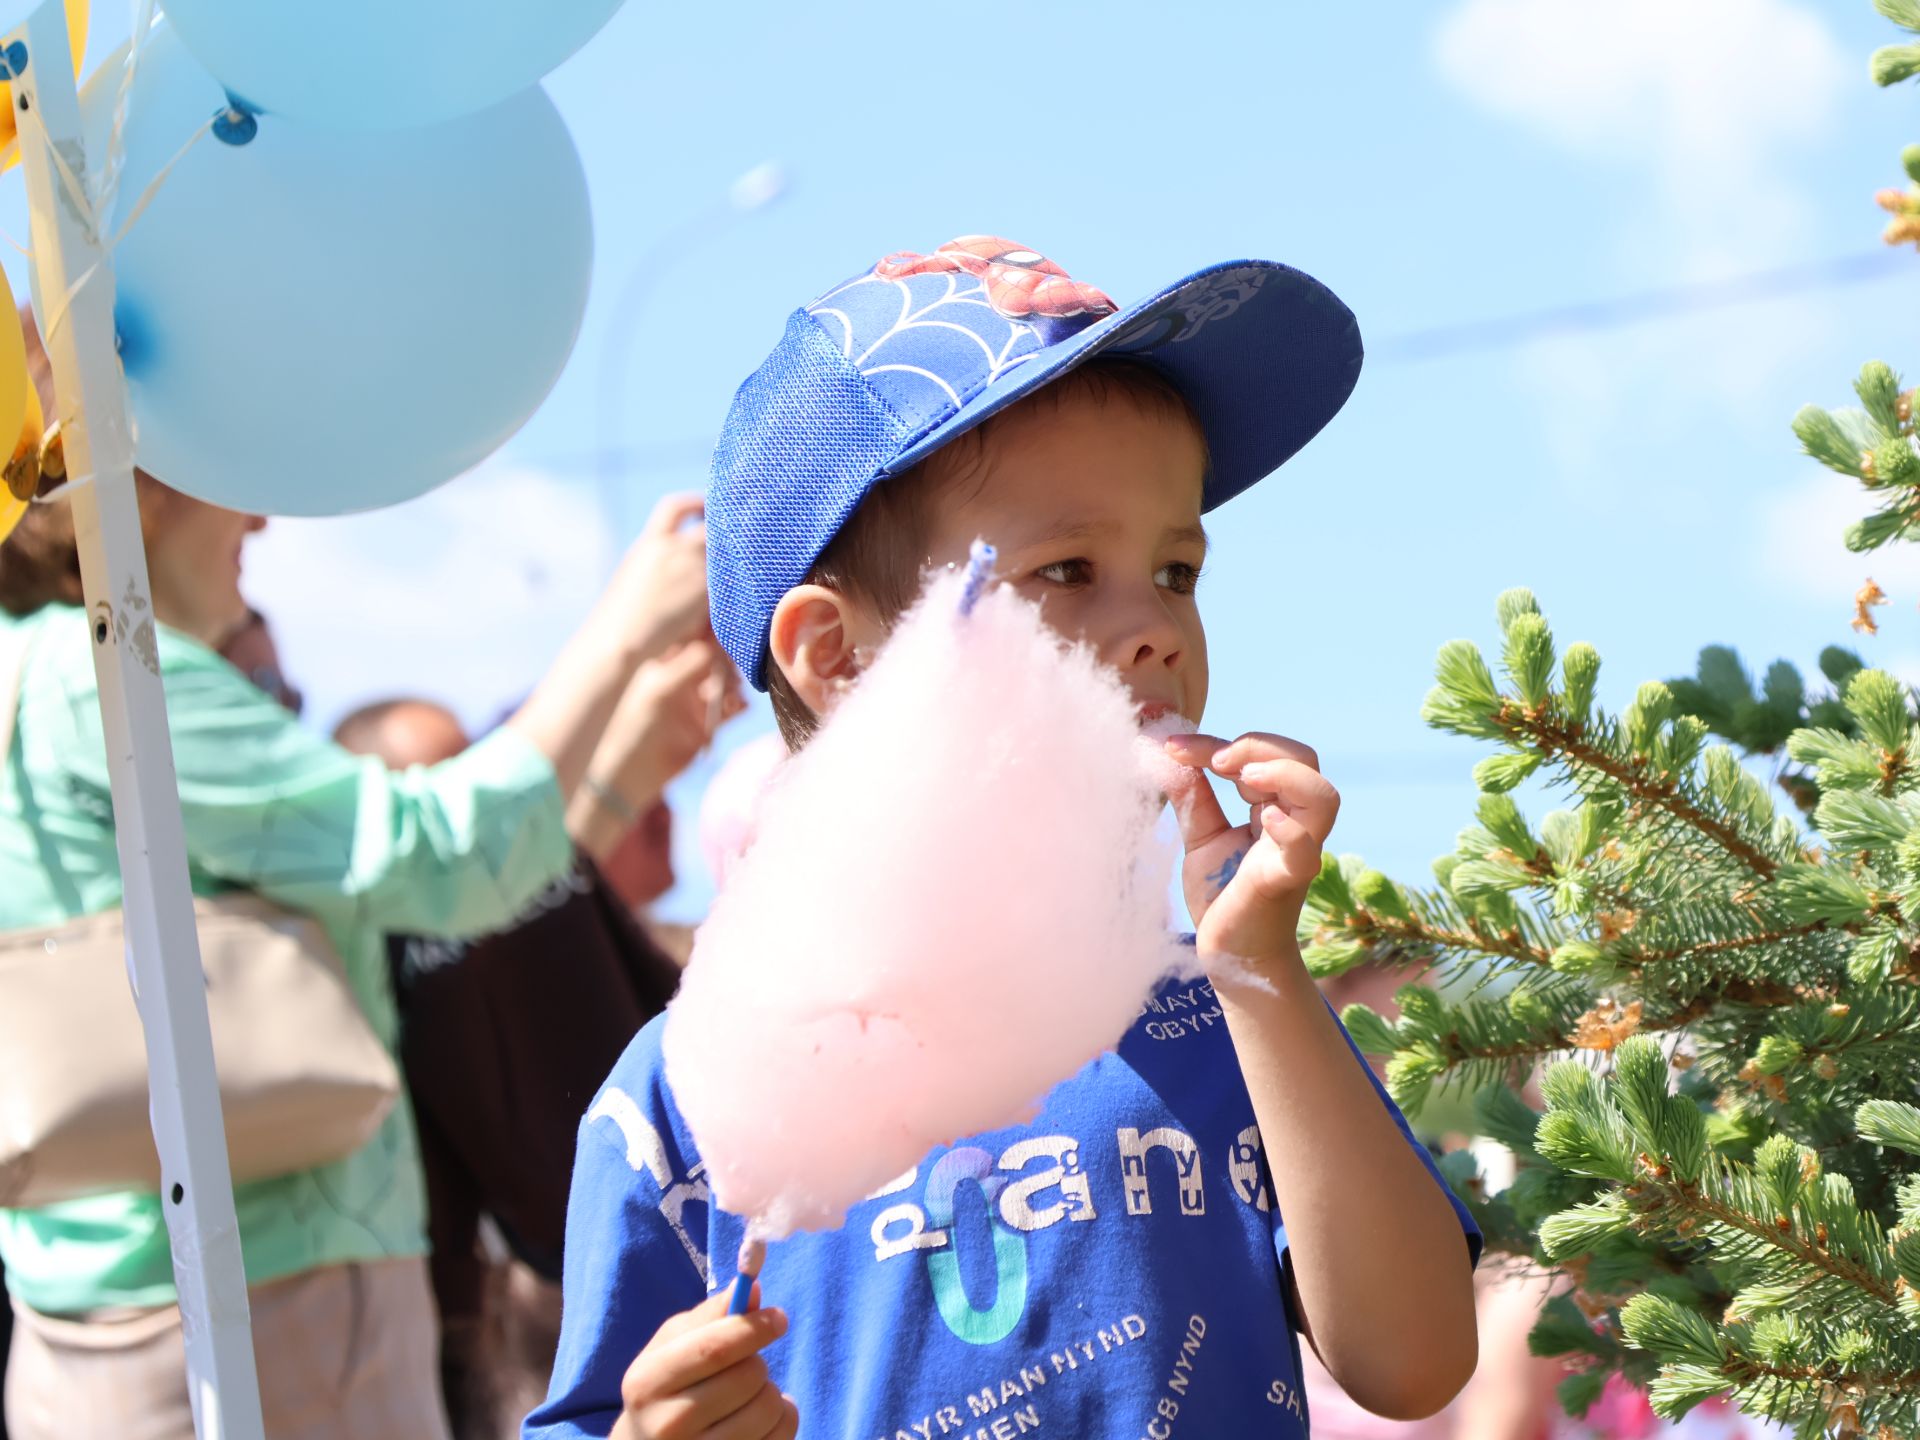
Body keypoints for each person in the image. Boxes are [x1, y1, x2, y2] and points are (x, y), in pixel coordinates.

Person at [527, 237, 1482, 1440]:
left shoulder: (1220, 1013)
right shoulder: (676, 1100)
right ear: (836, 655)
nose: (1154, 628)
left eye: (1177, 568)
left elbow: (1415, 1364)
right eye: (1069, 569)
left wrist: (1266, 975)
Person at [0, 302, 712, 1437]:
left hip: (94, 1315)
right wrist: (621, 634)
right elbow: (433, 860)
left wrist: (623, 752)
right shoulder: (110, 684)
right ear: (141, 475)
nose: (266, 516)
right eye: (233, 462)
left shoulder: (26, 687)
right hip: (264, 1308)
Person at [333, 653, 738, 1440]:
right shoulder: (386, 959)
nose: (476, 808)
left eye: (473, 773)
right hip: (528, 1304)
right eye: (437, 791)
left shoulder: (541, 878)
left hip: (676, 1238)